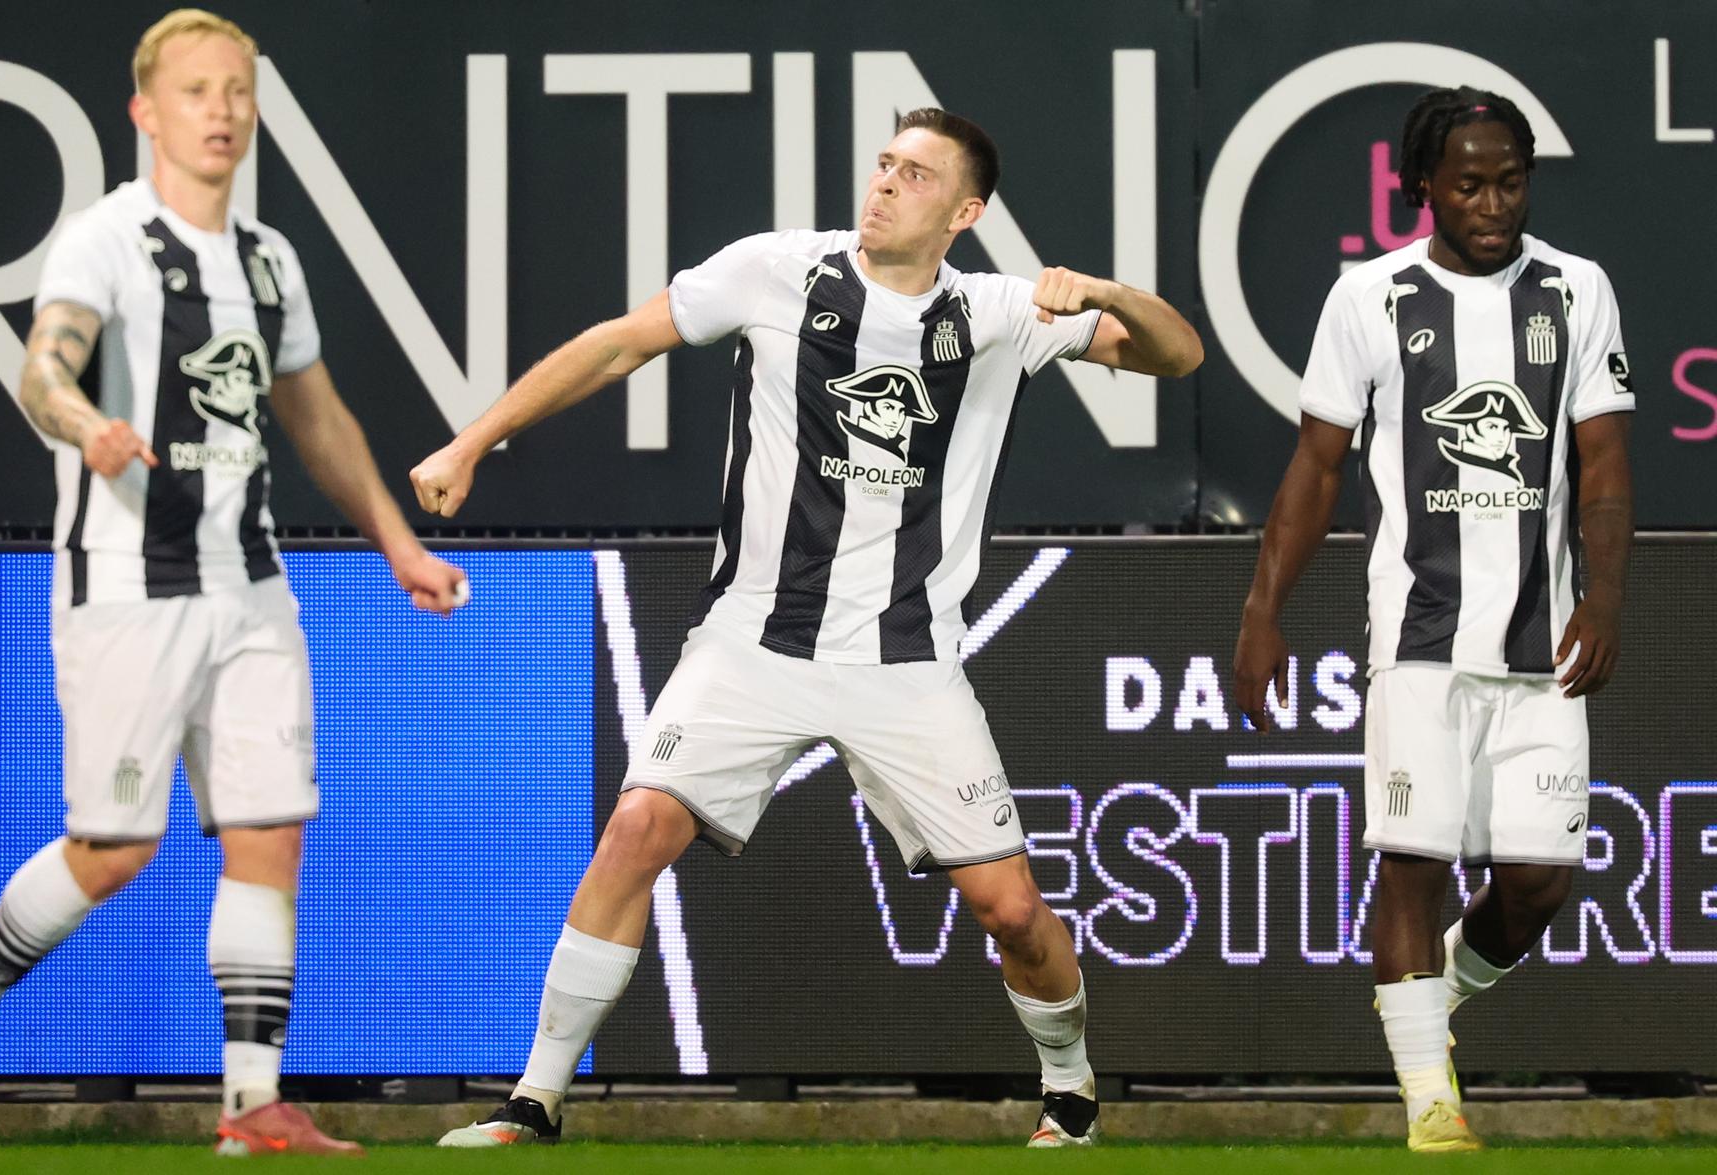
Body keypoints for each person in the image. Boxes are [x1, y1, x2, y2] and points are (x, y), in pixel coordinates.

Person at [410, 106, 1202, 1148]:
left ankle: (1070, 1083)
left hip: (908, 661)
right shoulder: (775, 271)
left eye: (915, 176)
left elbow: (1177, 354)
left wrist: (1098, 292)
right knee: (638, 826)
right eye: (883, 164)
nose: (883, 185)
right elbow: (615, 348)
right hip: (753, 640)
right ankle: (534, 1096)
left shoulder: (1002, 312)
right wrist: (474, 441)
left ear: (965, 211)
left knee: (1011, 910)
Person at [0, 8, 467, 1157]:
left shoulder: (270, 259)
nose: (223, 111)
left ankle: (253, 1106)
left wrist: (397, 542)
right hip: (127, 581)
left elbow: (316, 416)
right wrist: (84, 421)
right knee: (117, 847)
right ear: (146, 111)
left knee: (272, 833)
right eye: (198, 91)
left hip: (251, 583)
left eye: (238, 91)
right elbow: (41, 362)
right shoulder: (106, 239)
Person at [1233, 87, 1633, 1153]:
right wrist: (1262, 611)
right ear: (1425, 187)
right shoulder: (1369, 298)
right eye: (1470, 182)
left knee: (1543, 881)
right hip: (1417, 645)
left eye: (1510, 180)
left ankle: (1422, 998)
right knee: (1411, 858)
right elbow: (1315, 468)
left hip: (1542, 649)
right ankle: (1432, 1102)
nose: (1494, 201)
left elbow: (1602, 466)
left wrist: (1604, 592)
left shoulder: (1577, 290)